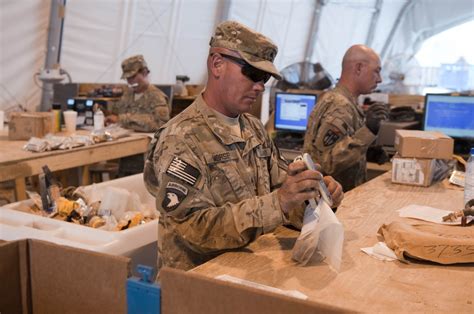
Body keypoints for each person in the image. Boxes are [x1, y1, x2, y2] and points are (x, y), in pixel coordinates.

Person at [143, 20, 344, 271]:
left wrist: (311, 195)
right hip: (196, 285)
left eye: (265, 78)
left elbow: (280, 195)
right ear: (217, 64)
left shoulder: (253, 128)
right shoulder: (180, 138)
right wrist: (278, 203)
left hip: (249, 270)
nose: (260, 86)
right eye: (252, 74)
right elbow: (192, 229)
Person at [303, 45, 389, 192]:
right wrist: (367, 132)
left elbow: (338, 147)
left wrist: (366, 151)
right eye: (377, 71)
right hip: (333, 204)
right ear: (359, 68)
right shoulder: (339, 105)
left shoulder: (344, 101)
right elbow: (324, 163)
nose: (379, 79)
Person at [107, 54, 170, 177]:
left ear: (145, 72)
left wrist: (123, 119)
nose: (130, 82)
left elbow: (160, 123)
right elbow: (117, 113)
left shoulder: (157, 97)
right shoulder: (127, 95)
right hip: (125, 156)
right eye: (127, 79)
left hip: (146, 159)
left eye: (133, 77)